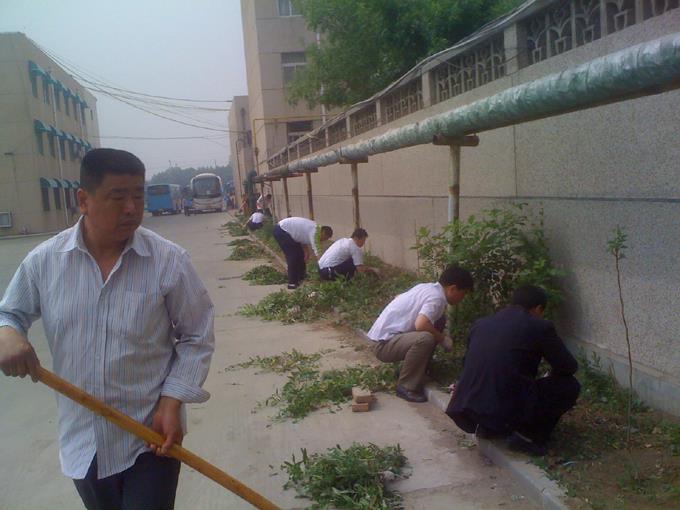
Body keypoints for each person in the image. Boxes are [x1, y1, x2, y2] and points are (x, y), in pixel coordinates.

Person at [0, 148, 215, 510]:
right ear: (83, 200)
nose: (131, 208)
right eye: (118, 197)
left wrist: (172, 399)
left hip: (150, 437)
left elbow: (197, 334)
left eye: (138, 196)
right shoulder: (45, 262)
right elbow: (8, 313)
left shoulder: (168, 261)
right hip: (82, 441)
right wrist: (7, 334)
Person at [446, 285, 580, 456]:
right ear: (538, 308)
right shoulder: (540, 326)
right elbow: (568, 367)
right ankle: (527, 437)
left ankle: (490, 427)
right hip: (504, 409)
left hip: (467, 409)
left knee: (502, 383)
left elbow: (468, 364)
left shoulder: (481, 323)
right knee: (569, 386)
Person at [367, 265, 473, 403]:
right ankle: (406, 386)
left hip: (387, 340)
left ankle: (419, 369)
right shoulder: (437, 298)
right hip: (383, 346)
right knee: (425, 338)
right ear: (452, 288)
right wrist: (443, 339)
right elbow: (421, 324)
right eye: (463, 293)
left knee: (438, 320)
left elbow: (399, 298)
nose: (462, 298)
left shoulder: (427, 288)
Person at [273, 216, 332, 290]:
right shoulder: (315, 232)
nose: (323, 240)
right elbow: (317, 251)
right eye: (324, 238)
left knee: (300, 254)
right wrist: (323, 265)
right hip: (282, 230)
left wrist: (306, 252)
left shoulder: (315, 229)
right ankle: (292, 282)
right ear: (323, 233)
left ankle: (301, 276)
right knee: (293, 256)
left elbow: (301, 237)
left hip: (288, 233)